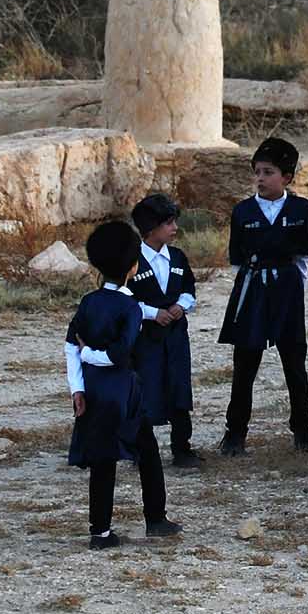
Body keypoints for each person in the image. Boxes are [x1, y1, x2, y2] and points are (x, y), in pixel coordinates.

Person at [66, 219, 181, 548]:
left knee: (103, 461)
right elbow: (118, 354)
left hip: (92, 391)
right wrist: (92, 354)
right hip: (123, 393)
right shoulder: (130, 307)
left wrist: (76, 387)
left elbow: (69, 345)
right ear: (133, 267)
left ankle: (100, 532)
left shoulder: (89, 302)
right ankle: (155, 519)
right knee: (147, 451)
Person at [217, 138, 308, 455]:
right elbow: (236, 257)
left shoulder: (301, 210)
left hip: (287, 290)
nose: (260, 178)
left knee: (294, 363)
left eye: (268, 172)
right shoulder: (243, 211)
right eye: (257, 172)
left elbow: (304, 256)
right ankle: (235, 434)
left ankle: (303, 431)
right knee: (245, 363)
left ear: (286, 177)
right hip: (252, 289)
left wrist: (292, 289)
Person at [124, 193, 199, 470]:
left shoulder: (177, 257)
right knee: (146, 390)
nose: (174, 228)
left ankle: (182, 448)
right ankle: (140, 450)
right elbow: (125, 298)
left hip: (177, 338)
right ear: (151, 228)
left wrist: (181, 305)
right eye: (169, 223)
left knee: (179, 388)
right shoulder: (132, 261)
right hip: (146, 341)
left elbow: (189, 288)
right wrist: (154, 313)